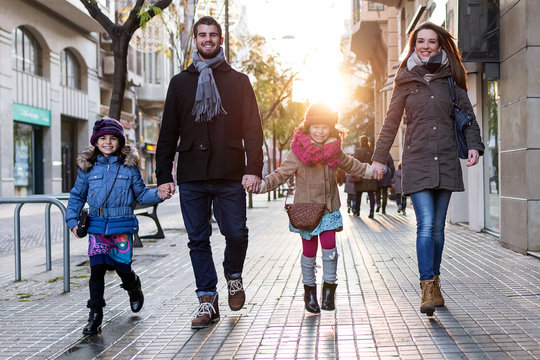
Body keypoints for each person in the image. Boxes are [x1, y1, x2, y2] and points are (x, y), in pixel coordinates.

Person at [155, 16, 264, 329]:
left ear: (220, 39)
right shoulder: (179, 83)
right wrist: (164, 175)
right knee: (198, 240)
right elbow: (167, 133)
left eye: (213, 35)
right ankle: (207, 300)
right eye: (202, 35)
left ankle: (233, 276)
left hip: (229, 172)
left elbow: (253, 129)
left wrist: (253, 169)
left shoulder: (239, 81)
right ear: (194, 40)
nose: (207, 39)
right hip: (192, 174)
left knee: (237, 233)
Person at [371, 22, 484, 317]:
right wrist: (378, 158)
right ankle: (426, 287)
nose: (425, 46)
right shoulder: (405, 80)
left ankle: (435, 282)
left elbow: (468, 117)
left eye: (431, 41)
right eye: (420, 41)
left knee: (438, 227)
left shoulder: (451, 79)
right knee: (426, 223)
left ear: (440, 45)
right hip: (418, 160)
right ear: (414, 45)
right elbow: (390, 122)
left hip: (446, 158)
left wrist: (474, 145)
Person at [254, 103, 373, 314]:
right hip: (307, 212)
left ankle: (329, 291)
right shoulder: (297, 152)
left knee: (330, 251)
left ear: (331, 129)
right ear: (308, 127)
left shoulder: (334, 151)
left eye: (324, 127)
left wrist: (370, 171)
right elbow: (281, 173)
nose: (320, 131)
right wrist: (263, 185)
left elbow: (352, 165)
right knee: (309, 252)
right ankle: (309, 292)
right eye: (315, 126)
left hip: (328, 209)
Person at [66, 118, 171, 335]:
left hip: (121, 227)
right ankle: (95, 315)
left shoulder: (129, 167)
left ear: (119, 141)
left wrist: (160, 194)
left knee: (123, 268)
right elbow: (77, 196)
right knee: (96, 271)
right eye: (102, 138)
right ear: (96, 142)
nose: (107, 142)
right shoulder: (88, 168)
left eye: (112, 138)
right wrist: (72, 223)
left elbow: (141, 194)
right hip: (96, 228)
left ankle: (133, 286)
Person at [352, 135, 377, 218]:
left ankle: (357, 211)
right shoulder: (371, 151)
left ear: (361, 141)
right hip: (370, 174)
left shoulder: (358, 150)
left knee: (358, 194)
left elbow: (356, 162)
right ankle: (372, 211)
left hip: (361, 174)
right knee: (371, 194)